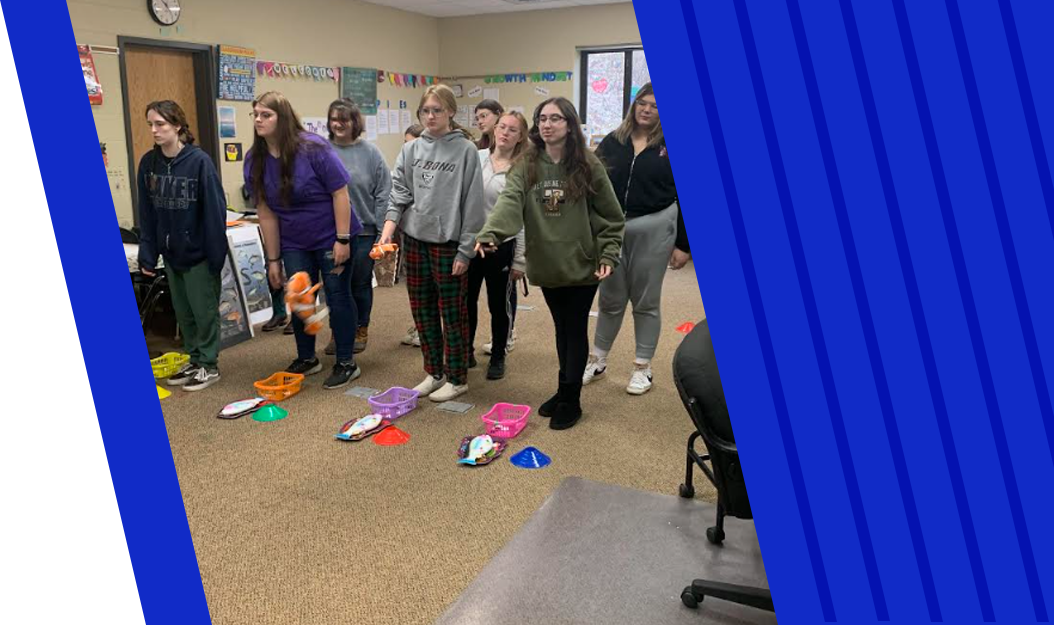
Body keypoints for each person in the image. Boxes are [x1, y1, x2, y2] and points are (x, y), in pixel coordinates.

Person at [475, 97, 625, 430]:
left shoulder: (587, 163)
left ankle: (571, 399)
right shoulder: (527, 163)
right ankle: (563, 390)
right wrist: (491, 232)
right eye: (542, 118)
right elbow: (510, 201)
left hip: (583, 263)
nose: (547, 124)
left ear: (570, 124)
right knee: (561, 328)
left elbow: (611, 216)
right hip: (547, 263)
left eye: (555, 118)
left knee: (574, 328)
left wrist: (608, 252)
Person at [244, 91, 363, 390]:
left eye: (266, 115)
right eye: (255, 114)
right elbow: (266, 212)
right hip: (295, 240)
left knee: (336, 296)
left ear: (281, 119)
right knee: (299, 298)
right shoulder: (255, 159)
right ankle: (307, 357)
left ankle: (347, 361)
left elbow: (340, 193)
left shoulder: (313, 148)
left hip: (331, 235)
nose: (258, 120)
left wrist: (343, 239)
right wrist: (273, 259)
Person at [378, 84, 486, 402]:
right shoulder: (411, 150)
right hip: (414, 240)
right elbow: (398, 193)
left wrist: (466, 250)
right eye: (425, 111)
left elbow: (473, 205)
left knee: (452, 313)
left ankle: (456, 376)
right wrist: (387, 232)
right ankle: (434, 372)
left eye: (437, 110)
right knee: (422, 310)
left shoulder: (465, 150)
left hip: (449, 243)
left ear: (451, 111)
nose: (430, 116)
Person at [585, 82, 684, 395]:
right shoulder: (614, 141)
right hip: (614, 228)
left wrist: (684, 244)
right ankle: (597, 360)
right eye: (642, 103)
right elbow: (593, 182)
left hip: (655, 226)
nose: (647, 110)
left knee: (645, 301)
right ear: (634, 105)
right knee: (610, 298)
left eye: (655, 106)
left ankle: (643, 367)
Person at [137, 100, 228, 392]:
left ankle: (209, 364)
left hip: (199, 253)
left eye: (160, 124)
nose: (154, 130)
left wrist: (216, 255)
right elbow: (147, 213)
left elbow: (215, 210)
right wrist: (148, 253)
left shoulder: (199, 162)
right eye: (150, 124)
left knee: (204, 312)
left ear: (177, 126)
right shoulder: (148, 164)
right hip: (170, 254)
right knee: (183, 312)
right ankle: (194, 358)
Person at [323, 98, 392, 356]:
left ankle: (361, 328)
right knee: (335, 285)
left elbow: (384, 190)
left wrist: (381, 230)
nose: (339, 124)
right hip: (330, 232)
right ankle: (340, 330)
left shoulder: (371, 152)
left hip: (364, 230)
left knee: (359, 283)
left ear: (355, 122)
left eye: (345, 119)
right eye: (334, 119)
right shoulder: (322, 150)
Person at [468, 112, 528, 380]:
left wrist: (520, 260)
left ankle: (498, 355)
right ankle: (465, 351)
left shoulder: (522, 170)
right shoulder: (476, 158)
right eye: (501, 127)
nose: (505, 133)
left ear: (520, 137)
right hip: (470, 244)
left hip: (501, 246)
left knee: (498, 305)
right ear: (494, 130)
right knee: (465, 301)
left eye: (512, 130)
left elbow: (525, 218)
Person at [399, 124, 425, 348]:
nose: (406, 147)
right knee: (415, 289)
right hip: (410, 233)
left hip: (430, 235)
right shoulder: (404, 166)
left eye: (411, 143)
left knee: (430, 290)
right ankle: (419, 326)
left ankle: (426, 330)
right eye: (404, 143)